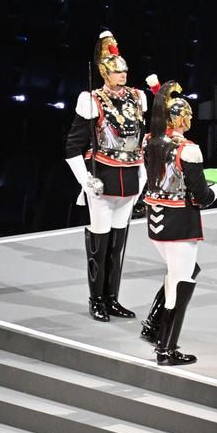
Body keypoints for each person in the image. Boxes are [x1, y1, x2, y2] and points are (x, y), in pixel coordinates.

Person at [141, 81, 217, 365]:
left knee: (178, 274)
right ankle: (166, 350)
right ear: (181, 119)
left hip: (155, 219)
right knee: (181, 282)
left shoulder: (149, 140)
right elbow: (203, 197)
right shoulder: (189, 150)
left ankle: (155, 328)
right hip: (179, 221)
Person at [64, 31, 146, 321]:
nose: (122, 75)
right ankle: (96, 299)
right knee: (100, 241)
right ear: (103, 72)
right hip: (104, 177)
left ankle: (112, 297)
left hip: (130, 178)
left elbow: (141, 141)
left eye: (124, 71)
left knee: (118, 243)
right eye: (116, 71)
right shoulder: (91, 100)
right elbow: (72, 147)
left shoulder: (138, 97)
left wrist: (143, 179)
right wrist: (85, 180)